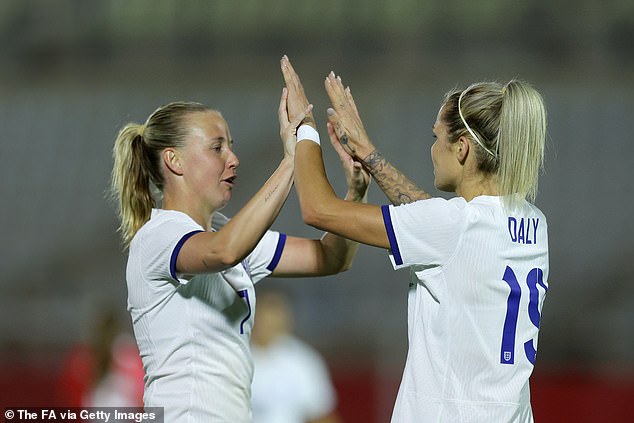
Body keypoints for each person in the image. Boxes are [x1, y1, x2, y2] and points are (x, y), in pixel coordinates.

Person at [281, 56, 549, 422]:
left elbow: (317, 209)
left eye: (436, 137)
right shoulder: (532, 222)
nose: (433, 148)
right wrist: (370, 157)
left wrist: (305, 126)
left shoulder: (453, 226)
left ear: (462, 149)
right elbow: (437, 225)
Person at [109, 72, 370, 422]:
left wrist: (355, 195)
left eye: (230, 145)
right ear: (175, 161)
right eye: (217, 147)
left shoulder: (226, 235)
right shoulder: (158, 237)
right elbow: (223, 251)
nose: (233, 158)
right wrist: (293, 157)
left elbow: (330, 258)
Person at [251, 288, 342, 423]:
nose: (269, 320)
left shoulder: (303, 360)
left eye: (276, 312)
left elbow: (320, 414)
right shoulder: (234, 355)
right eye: (265, 311)